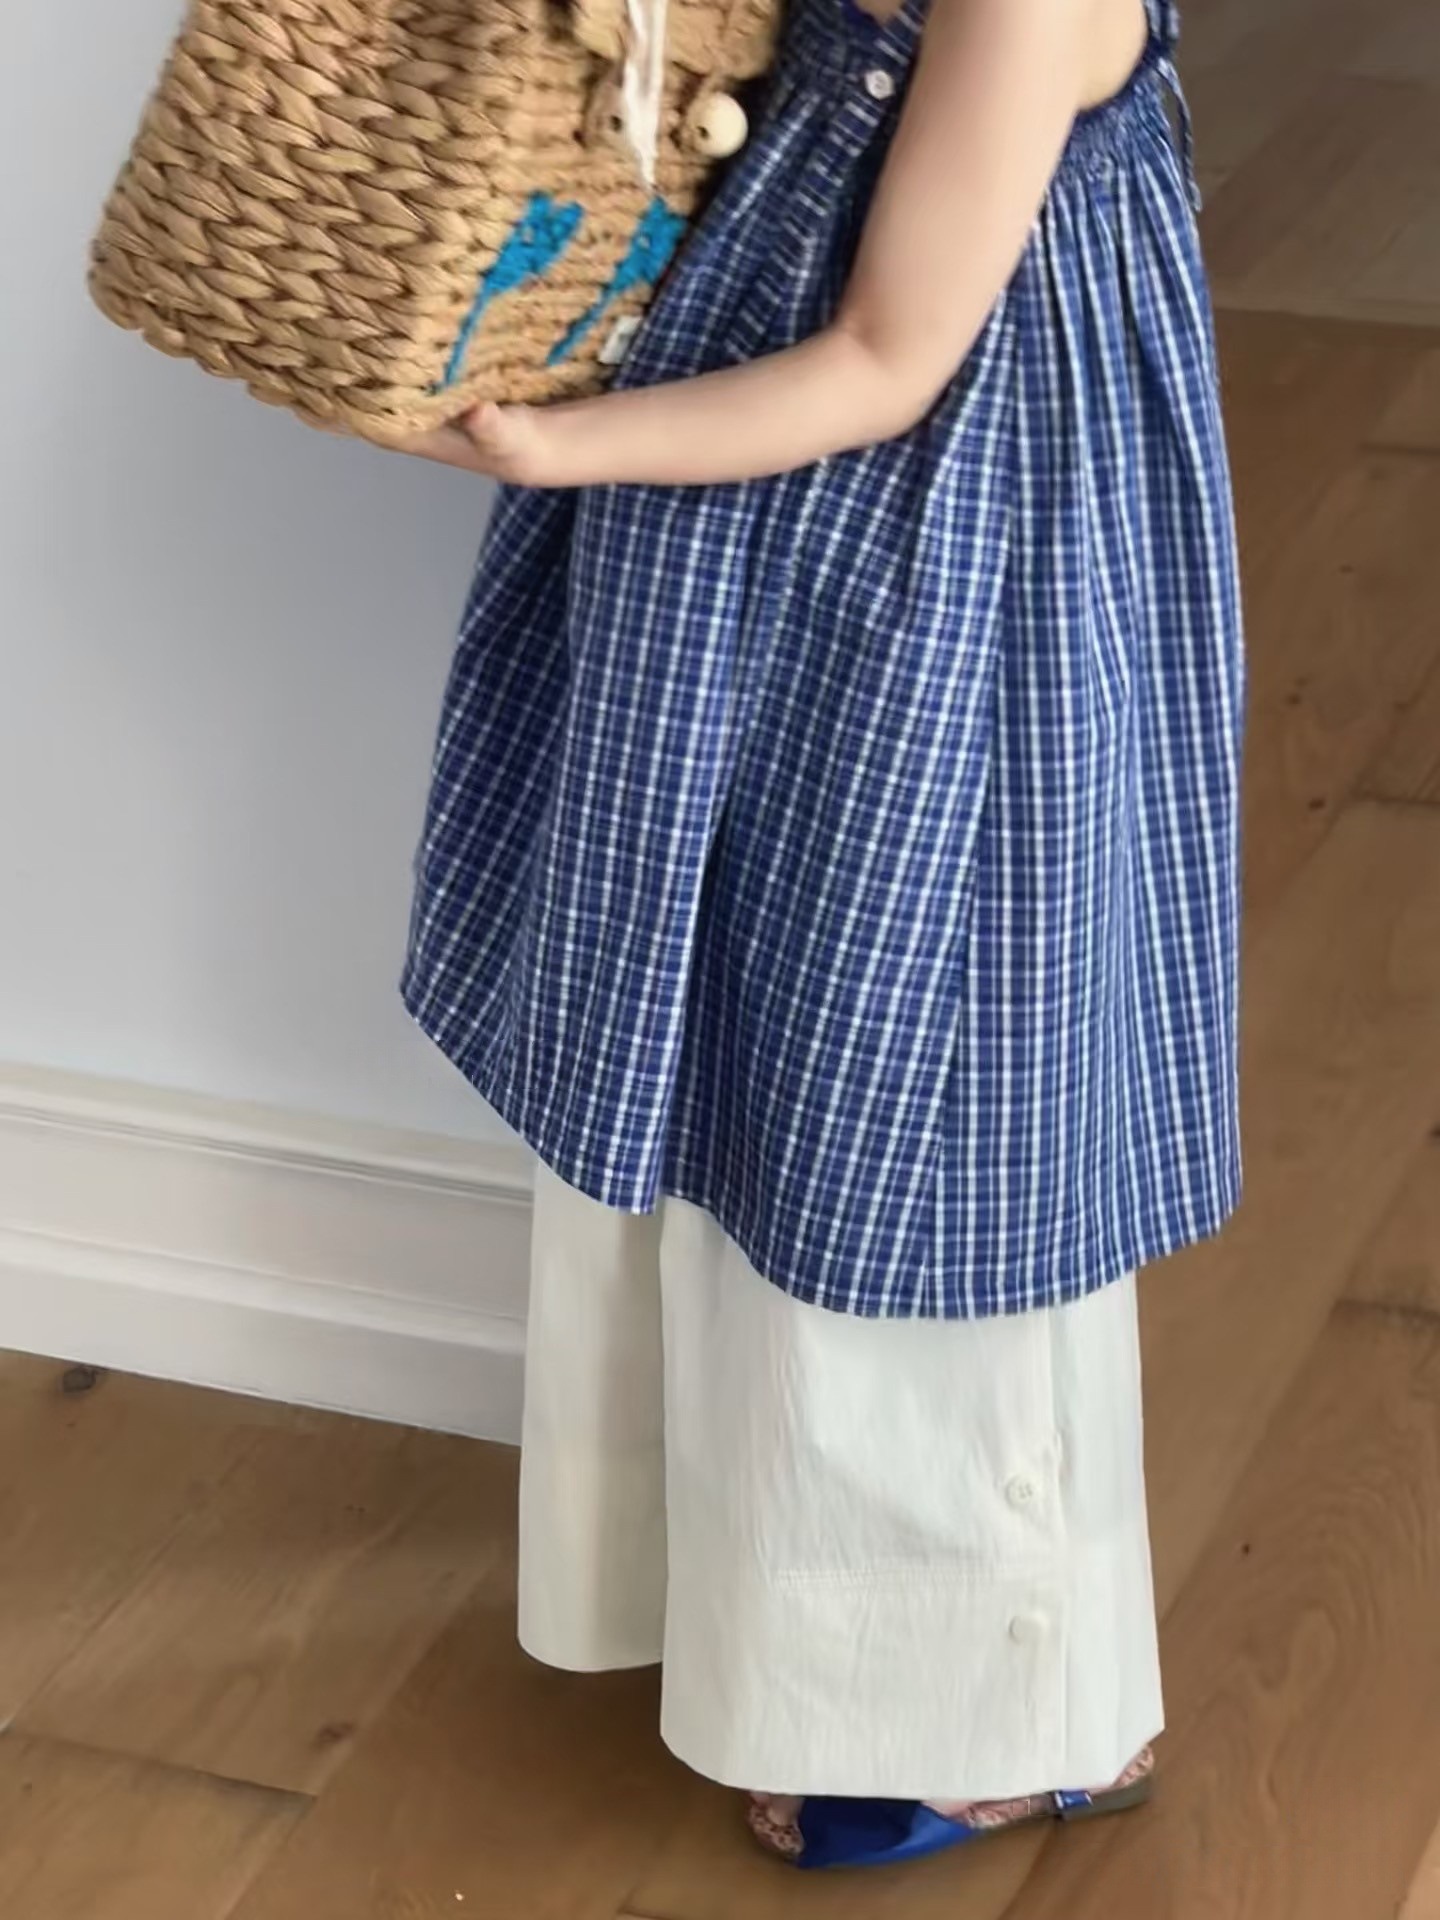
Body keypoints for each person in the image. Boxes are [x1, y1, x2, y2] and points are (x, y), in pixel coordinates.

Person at [397, 0, 1243, 1873]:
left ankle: (1002, 1696)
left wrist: (561, 450)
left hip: (941, 547)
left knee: (915, 1108)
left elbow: (890, 354)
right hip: (756, 503)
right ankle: (760, 1610)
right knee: (735, 1044)